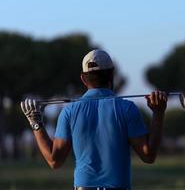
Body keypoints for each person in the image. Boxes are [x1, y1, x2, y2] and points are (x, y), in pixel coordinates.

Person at [20, 49, 168, 190]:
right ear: (112, 75)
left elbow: (54, 161)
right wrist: (158, 113)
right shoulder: (127, 108)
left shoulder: (69, 112)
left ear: (83, 79)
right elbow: (148, 156)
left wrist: (36, 122)